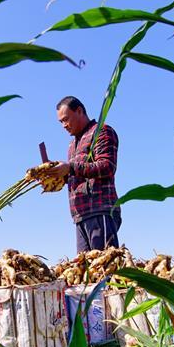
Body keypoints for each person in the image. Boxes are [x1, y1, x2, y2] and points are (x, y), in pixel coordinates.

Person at [51, 96, 121, 253]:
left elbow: (107, 166)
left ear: (80, 111)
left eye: (66, 119)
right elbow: (77, 174)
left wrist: (70, 167)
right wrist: (57, 178)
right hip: (80, 215)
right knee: (84, 273)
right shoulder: (72, 144)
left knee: (104, 268)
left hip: (100, 210)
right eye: (60, 122)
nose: (64, 125)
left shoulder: (101, 131)